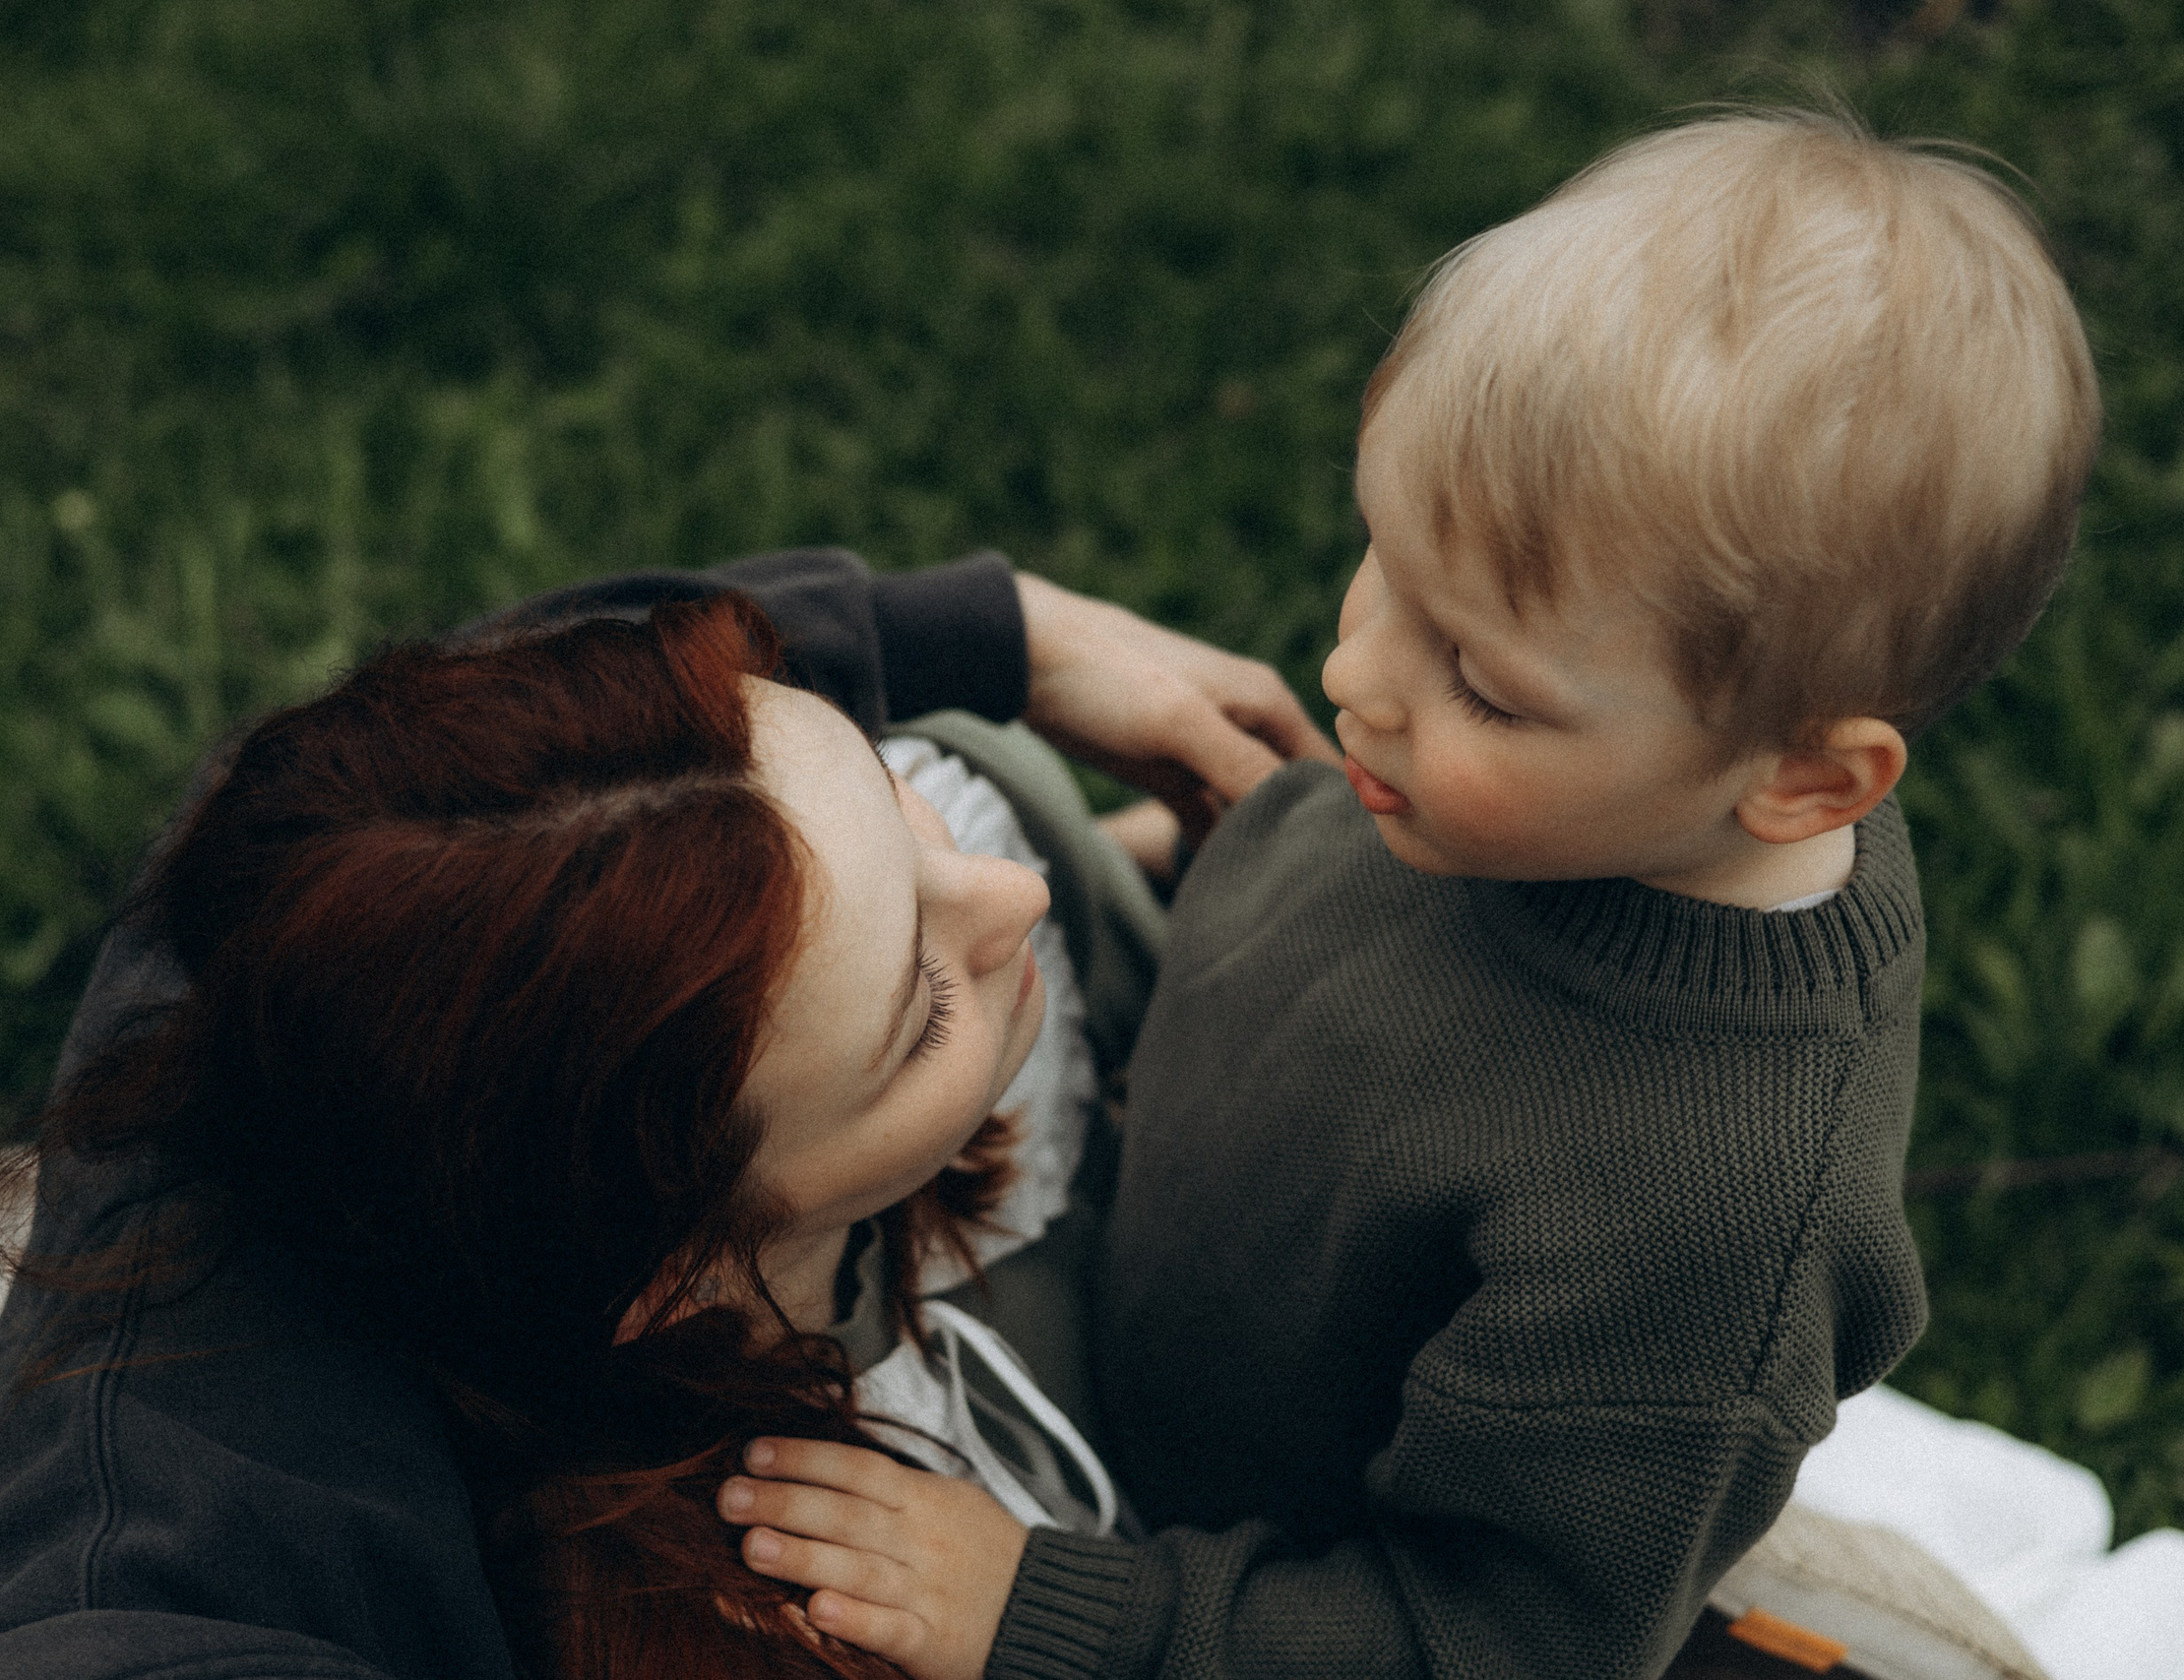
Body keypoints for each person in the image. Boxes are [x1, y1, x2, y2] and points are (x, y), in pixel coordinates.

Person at [718, 108, 2104, 1679]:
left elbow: (1496, 1642)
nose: (1355, 679)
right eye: (1382, 559)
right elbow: (1374, 963)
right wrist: (1177, 866)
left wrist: (1041, 1609)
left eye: (1486, 686)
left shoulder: (1706, 1229)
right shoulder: (1540, 807)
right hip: (1142, 1258)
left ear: (1803, 780)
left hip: (1210, 1571)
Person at [0, 547, 1334, 1680]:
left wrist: (993, 629)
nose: (1003, 897)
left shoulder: (300, 929)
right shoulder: (205, 1576)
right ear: (672, 1270)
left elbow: (485, 768)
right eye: (914, 1017)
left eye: (891, 803)